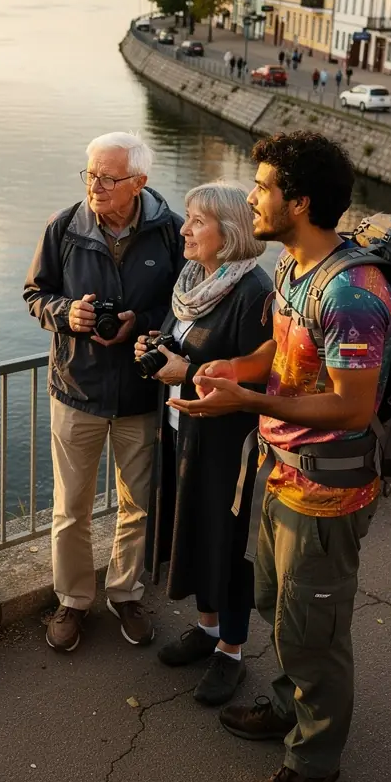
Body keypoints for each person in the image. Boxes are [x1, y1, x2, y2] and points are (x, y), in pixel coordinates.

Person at [173, 131, 391, 782]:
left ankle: (315, 766)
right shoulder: (293, 268)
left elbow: (351, 404)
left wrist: (252, 402)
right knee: (278, 603)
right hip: (280, 473)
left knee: (315, 631)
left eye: (263, 186)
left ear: (298, 202)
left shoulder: (355, 291)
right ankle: (286, 705)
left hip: (326, 492)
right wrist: (234, 370)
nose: (251, 197)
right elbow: (281, 345)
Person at [24, 132, 183, 653]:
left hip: (140, 394)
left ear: (138, 182)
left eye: (108, 178)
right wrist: (65, 314)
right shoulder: (64, 227)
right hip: (76, 390)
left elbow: (187, 307)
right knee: (71, 508)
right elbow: (34, 294)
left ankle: (126, 592)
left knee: (138, 503)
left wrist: (145, 322)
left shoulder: (171, 233)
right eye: (89, 173)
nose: (95, 185)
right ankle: (71, 600)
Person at [137, 184, 271, 706]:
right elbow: (186, 338)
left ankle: (232, 651)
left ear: (229, 232)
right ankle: (208, 627)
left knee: (229, 544)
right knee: (193, 530)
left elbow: (258, 382)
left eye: (196, 222)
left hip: (228, 444)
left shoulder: (253, 292)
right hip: (183, 432)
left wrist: (185, 371)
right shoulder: (195, 278)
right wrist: (159, 346)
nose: (184, 229)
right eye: (187, 219)